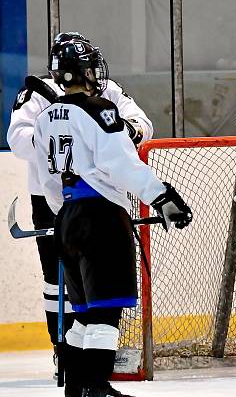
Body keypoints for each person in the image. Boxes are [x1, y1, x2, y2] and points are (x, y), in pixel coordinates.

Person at [31, 38, 192, 396]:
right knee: (106, 312)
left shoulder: (45, 118)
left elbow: (46, 181)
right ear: (86, 72)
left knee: (84, 313)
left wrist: (68, 214)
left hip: (67, 218)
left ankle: (76, 386)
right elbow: (123, 165)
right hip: (100, 218)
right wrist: (162, 196)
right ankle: (97, 387)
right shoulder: (99, 110)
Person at [6, 31, 154, 380]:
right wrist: (66, 143)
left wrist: (121, 133)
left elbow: (142, 124)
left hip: (102, 195)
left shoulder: (107, 91)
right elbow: (18, 139)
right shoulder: (37, 95)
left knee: (93, 286)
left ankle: (85, 370)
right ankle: (66, 356)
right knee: (58, 284)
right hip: (51, 196)